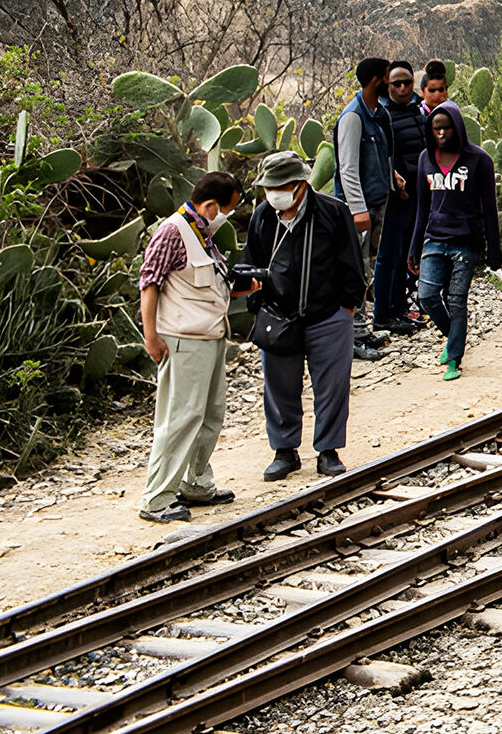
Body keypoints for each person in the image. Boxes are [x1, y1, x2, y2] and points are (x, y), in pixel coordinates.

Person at [241, 150, 364, 482]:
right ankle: (284, 451)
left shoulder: (332, 211)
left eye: (280, 186)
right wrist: (259, 306)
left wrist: (346, 309)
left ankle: (328, 450)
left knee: (332, 386)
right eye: (269, 187)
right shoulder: (263, 216)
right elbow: (251, 263)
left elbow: (352, 263)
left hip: (328, 315)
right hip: (278, 316)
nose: (273, 194)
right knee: (279, 387)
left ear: (300, 185)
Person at [136, 171, 244, 523]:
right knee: (180, 418)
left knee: (209, 414)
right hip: (183, 340)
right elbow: (149, 283)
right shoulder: (173, 231)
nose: (228, 215)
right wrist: (150, 335)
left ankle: (195, 483)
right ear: (210, 205)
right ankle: (157, 497)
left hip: (210, 336)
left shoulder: (202, 233)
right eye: (227, 208)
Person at [412, 103, 502, 381]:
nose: (441, 133)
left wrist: (494, 250)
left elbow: (490, 208)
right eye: (435, 128)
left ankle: (454, 358)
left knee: (456, 299)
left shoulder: (479, 160)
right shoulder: (425, 159)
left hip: (467, 241)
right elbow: (422, 207)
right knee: (427, 296)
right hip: (434, 239)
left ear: (458, 128)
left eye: (446, 127)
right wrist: (414, 247)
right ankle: (454, 336)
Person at [331, 60, 393, 361]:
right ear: (375, 80)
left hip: (377, 203)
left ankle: (362, 328)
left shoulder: (377, 114)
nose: (390, 81)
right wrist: (357, 209)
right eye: (386, 76)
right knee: (355, 271)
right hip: (360, 209)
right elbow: (347, 168)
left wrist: (393, 178)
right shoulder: (353, 117)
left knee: (366, 268)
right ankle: (351, 337)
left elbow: (379, 156)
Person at [374, 61, 430, 336]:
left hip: (420, 194)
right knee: (390, 256)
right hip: (397, 196)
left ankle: (400, 309)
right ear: (387, 85)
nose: (402, 88)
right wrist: (395, 179)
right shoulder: (384, 114)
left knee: (407, 255)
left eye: (407, 82)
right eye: (396, 83)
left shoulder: (419, 110)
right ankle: (383, 313)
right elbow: (384, 156)